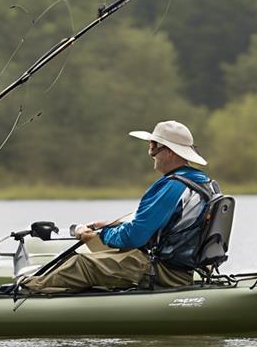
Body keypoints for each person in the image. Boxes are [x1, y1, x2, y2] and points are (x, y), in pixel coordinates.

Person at [22, 120, 217, 293]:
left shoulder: (173, 186)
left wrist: (101, 235)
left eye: (153, 146)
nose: (151, 153)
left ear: (170, 151)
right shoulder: (204, 183)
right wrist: (107, 226)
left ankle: (28, 291)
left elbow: (135, 236)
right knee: (105, 256)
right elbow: (162, 225)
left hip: (164, 271)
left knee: (81, 263)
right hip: (185, 269)